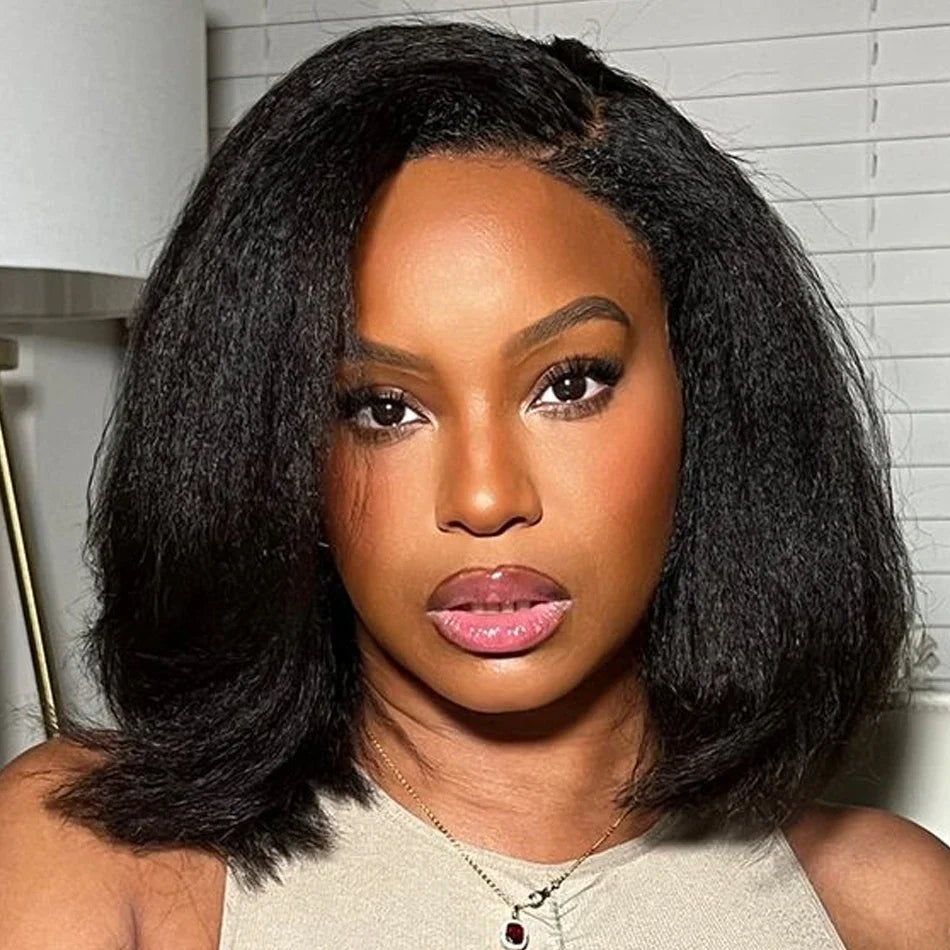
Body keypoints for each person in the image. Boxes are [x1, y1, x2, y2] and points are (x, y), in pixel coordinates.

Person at [1, 19, 948, 950]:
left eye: (569, 385)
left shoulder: (892, 909)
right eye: (383, 408)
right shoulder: (95, 863)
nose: (486, 499)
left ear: (707, 397)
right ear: (274, 452)